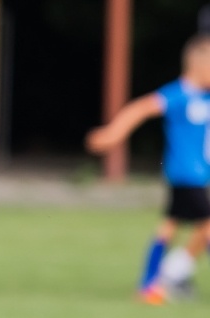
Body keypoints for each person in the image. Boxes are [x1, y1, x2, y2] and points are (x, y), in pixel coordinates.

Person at [86, 33, 210, 303]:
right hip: (185, 175)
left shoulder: (205, 96)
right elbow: (139, 109)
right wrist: (113, 133)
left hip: (199, 176)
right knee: (203, 227)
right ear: (199, 65)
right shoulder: (179, 94)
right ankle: (172, 275)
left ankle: (152, 282)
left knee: (169, 227)